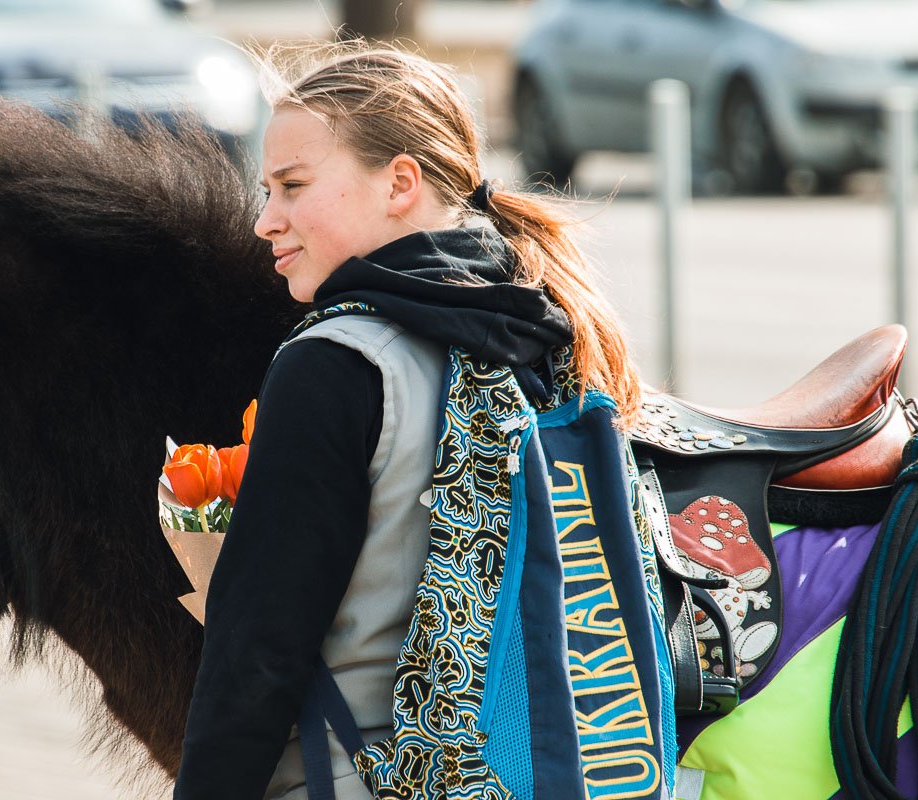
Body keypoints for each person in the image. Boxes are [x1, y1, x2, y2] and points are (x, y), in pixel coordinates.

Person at [173, 43, 643, 799]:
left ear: (399, 183)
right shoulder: (547, 332)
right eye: (266, 191)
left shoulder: (333, 363)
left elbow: (257, 651)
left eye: (293, 186)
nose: (265, 221)